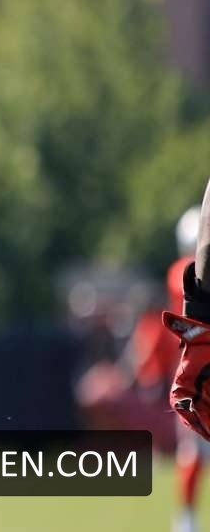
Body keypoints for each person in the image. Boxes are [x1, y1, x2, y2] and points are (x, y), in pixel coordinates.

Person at [162, 205, 209, 532]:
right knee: (193, 448)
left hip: (196, 365)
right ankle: (187, 519)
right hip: (200, 367)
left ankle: (186, 519)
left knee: (193, 448)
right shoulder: (183, 271)